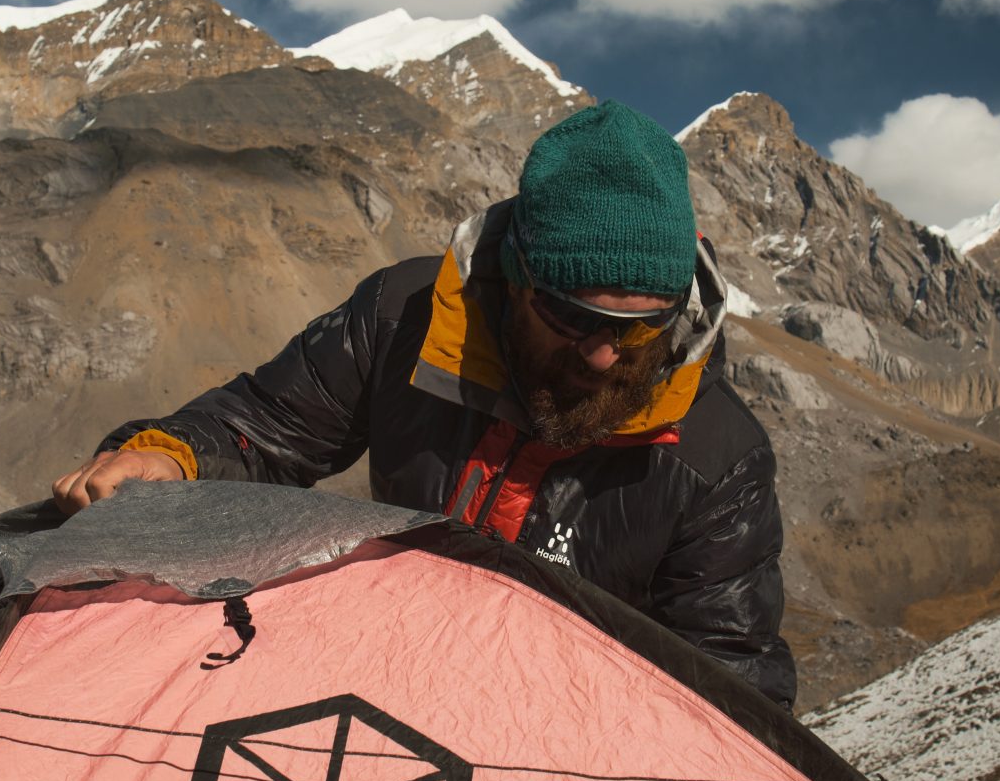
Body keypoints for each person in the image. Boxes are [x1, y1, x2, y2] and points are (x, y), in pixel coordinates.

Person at [53, 100, 793, 705]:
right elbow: (270, 427)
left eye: (640, 328)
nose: (603, 356)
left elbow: (727, 690)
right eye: (572, 318)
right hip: (381, 679)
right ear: (514, 278)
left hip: (559, 740)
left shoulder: (717, 460)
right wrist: (173, 458)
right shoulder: (403, 318)